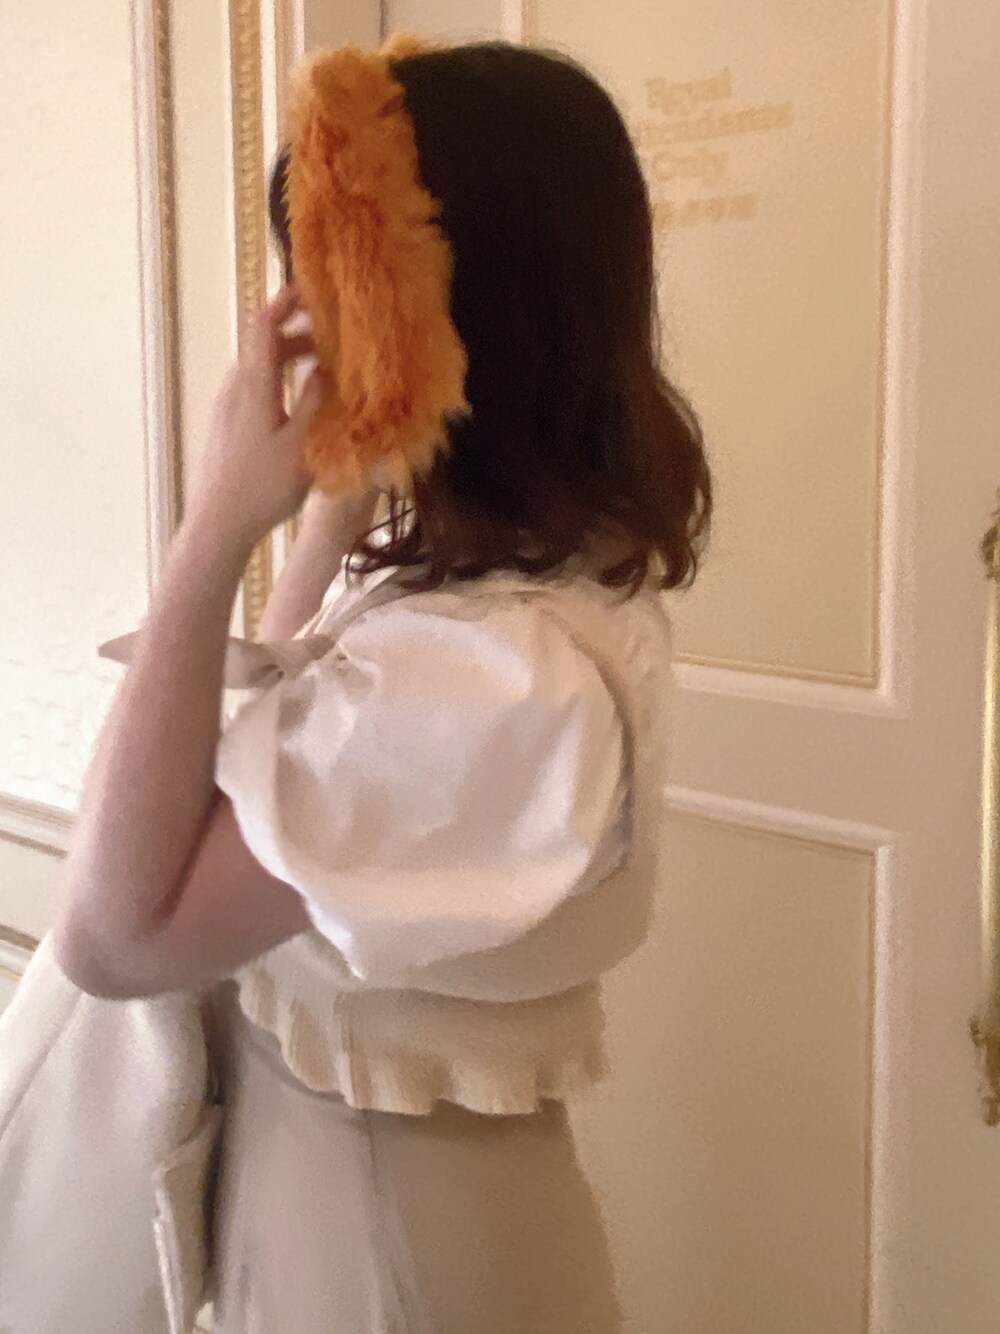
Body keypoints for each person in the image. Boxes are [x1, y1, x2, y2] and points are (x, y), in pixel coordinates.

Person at [53, 38, 711, 1333]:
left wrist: (212, 535)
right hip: (389, 1225)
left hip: (387, 1265)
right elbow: (269, 745)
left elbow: (115, 937)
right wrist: (330, 513)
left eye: (322, 284)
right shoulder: (523, 597)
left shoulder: (489, 684)